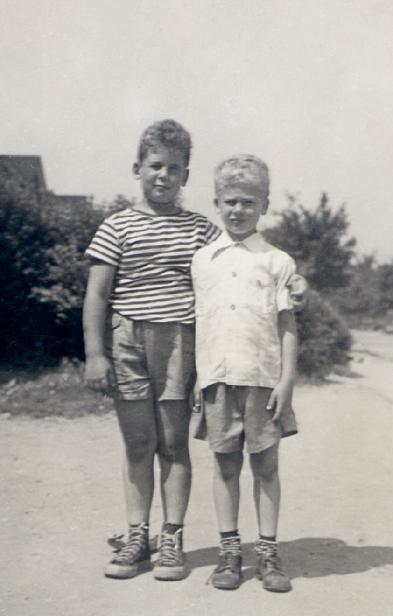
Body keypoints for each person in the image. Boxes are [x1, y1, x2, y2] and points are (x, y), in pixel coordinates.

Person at [83, 120, 306, 583]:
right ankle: (136, 534)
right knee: (138, 443)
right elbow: (98, 295)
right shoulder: (116, 225)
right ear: (137, 168)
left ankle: (171, 540)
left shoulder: (201, 231)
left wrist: (296, 282)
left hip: (179, 343)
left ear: (187, 177)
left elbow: (244, 261)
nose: (162, 175)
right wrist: (95, 353)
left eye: (174, 168)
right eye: (154, 166)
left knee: (173, 442)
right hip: (128, 339)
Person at [191, 154, 298, 592]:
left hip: (263, 380)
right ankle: (229, 551)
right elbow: (200, 322)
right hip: (217, 378)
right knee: (225, 466)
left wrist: (287, 382)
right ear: (217, 202)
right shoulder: (203, 260)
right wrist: (199, 377)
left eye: (248, 202)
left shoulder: (277, 261)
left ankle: (268, 551)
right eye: (230, 201)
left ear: (265, 205)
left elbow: (287, 327)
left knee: (266, 467)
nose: (238, 210)